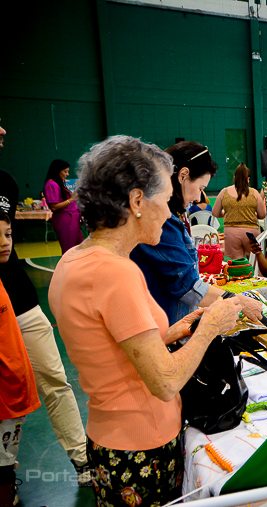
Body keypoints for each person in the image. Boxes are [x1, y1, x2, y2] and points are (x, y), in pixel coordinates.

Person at [48, 135, 242, 506]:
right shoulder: (115, 273)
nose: (169, 213)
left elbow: (110, 349)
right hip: (140, 445)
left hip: (109, 436)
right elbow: (165, 382)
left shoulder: (73, 261)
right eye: (164, 200)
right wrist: (211, 327)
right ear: (137, 201)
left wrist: (170, 333)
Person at [0, 122, 90, 486]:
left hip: (20, 300)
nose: (3, 131)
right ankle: (5, 468)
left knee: (55, 378)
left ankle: (82, 459)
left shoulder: (5, 183)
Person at [131, 142, 263, 325]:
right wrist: (237, 302)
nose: (199, 197)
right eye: (201, 188)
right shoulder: (162, 222)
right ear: (183, 175)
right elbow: (186, 285)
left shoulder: (172, 218)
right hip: (166, 323)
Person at [0, 210, 41, 506]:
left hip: (14, 386)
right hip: (4, 394)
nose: (5, 243)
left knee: (7, 455)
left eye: (8, 234)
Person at [212, 163, 266, 258]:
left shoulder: (224, 192)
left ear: (234, 177)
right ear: (248, 179)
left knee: (236, 264)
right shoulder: (254, 193)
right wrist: (251, 213)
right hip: (251, 233)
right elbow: (262, 215)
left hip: (231, 233)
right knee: (254, 262)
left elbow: (215, 213)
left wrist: (227, 213)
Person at [43, 159, 84, 253]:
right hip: (65, 222)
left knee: (79, 248)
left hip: (73, 220)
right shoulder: (51, 184)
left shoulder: (59, 184)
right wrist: (71, 199)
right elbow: (54, 206)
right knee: (69, 250)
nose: (67, 174)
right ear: (57, 171)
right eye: (65, 171)